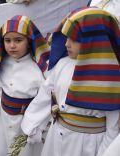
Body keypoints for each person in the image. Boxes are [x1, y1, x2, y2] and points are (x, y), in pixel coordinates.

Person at [20, 7, 120, 156]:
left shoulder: (111, 75)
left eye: (73, 39)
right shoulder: (62, 64)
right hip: (57, 137)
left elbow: (114, 126)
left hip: (89, 145)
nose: (66, 44)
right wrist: (31, 125)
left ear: (92, 40)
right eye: (66, 37)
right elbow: (46, 95)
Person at [0, 15, 50, 156]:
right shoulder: (2, 62)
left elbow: (45, 100)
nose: (12, 45)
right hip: (2, 120)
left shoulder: (39, 69)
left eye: (18, 40)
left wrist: (34, 125)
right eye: (7, 40)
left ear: (29, 41)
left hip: (25, 124)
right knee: (0, 148)